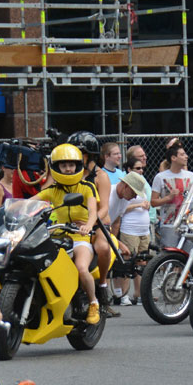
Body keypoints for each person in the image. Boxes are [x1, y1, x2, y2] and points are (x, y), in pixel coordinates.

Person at [35, 143, 102, 325]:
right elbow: (30, 203)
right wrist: (5, 209)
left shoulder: (87, 187)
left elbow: (93, 211)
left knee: (81, 267)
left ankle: (93, 302)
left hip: (80, 236)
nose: (68, 169)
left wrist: (88, 225)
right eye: (63, 165)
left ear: (78, 166)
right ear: (56, 168)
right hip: (58, 236)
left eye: (71, 165)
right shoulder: (51, 190)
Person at [69, 130, 120, 315]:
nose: (73, 158)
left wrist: (91, 221)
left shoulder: (101, 176)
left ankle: (102, 286)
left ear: (90, 155)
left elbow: (105, 207)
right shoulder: (67, 173)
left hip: (97, 223)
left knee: (103, 248)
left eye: (78, 152)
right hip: (71, 223)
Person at [108, 170, 152, 304]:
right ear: (125, 186)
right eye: (133, 193)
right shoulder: (109, 194)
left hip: (107, 231)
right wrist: (117, 243)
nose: (133, 197)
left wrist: (114, 242)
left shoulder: (123, 199)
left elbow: (116, 222)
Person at [150, 142, 193, 249]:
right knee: (170, 254)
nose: (186, 157)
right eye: (182, 154)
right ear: (173, 158)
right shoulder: (160, 177)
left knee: (187, 255)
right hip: (169, 223)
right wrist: (168, 198)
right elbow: (153, 202)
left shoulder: (191, 175)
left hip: (187, 223)